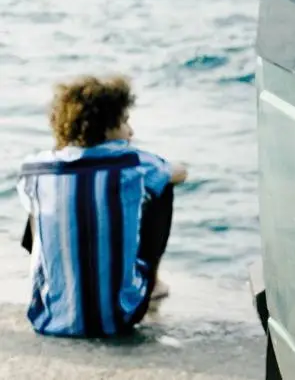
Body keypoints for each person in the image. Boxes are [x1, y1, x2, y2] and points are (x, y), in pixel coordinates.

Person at [16, 75, 188, 337]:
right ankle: (152, 283)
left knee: (43, 196)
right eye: (125, 121)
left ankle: (59, 283)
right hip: (119, 318)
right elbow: (180, 173)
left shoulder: (34, 168)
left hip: (48, 318)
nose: (131, 131)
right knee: (162, 186)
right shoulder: (134, 164)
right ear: (107, 128)